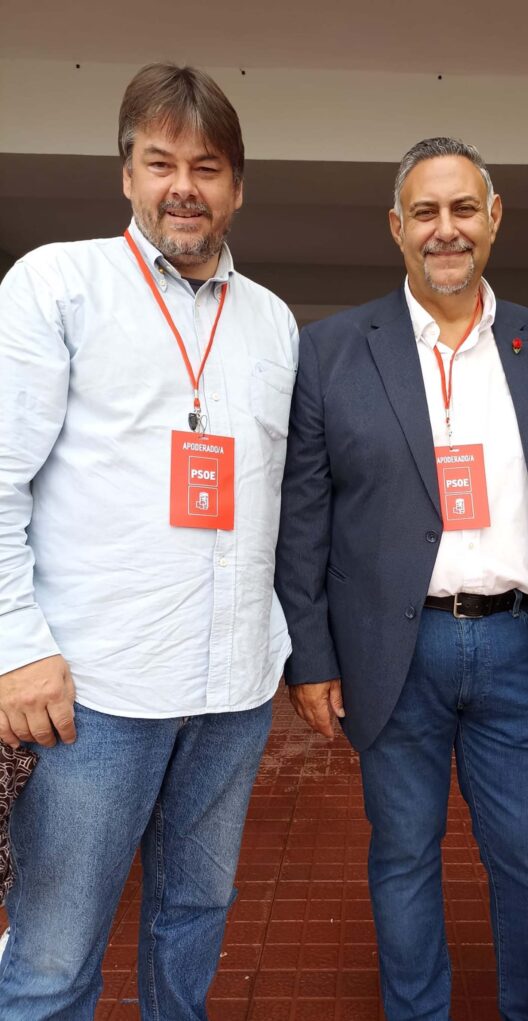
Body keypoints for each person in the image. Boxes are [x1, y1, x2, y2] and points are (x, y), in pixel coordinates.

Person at [0, 63, 298, 1018]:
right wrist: (19, 650)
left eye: (206, 167)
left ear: (237, 187)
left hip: (233, 692)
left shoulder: (275, 324)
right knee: (52, 958)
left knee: (193, 921)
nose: (183, 186)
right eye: (159, 161)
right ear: (125, 172)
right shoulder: (58, 284)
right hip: (93, 693)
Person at [276, 137, 528, 1021]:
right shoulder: (332, 350)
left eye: (461, 210)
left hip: (519, 646)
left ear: (493, 219)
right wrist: (311, 658)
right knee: (403, 853)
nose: (443, 230)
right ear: (396, 227)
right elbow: (305, 517)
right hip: (389, 650)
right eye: (424, 212)